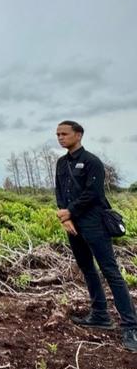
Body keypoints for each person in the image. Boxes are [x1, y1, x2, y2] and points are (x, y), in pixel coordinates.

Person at [55, 121, 137, 352]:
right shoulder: (61, 163)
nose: (60, 138)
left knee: (110, 271)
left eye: (64, 134)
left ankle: (131, 326)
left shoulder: (92, 162)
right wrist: (66, 217)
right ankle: (100, 314)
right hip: (74, 226)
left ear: (78, 135)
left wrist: (71, 210)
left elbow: (94, 194)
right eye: (57, 134)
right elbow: (60, 193)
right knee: (87, 268)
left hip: (94, 223)